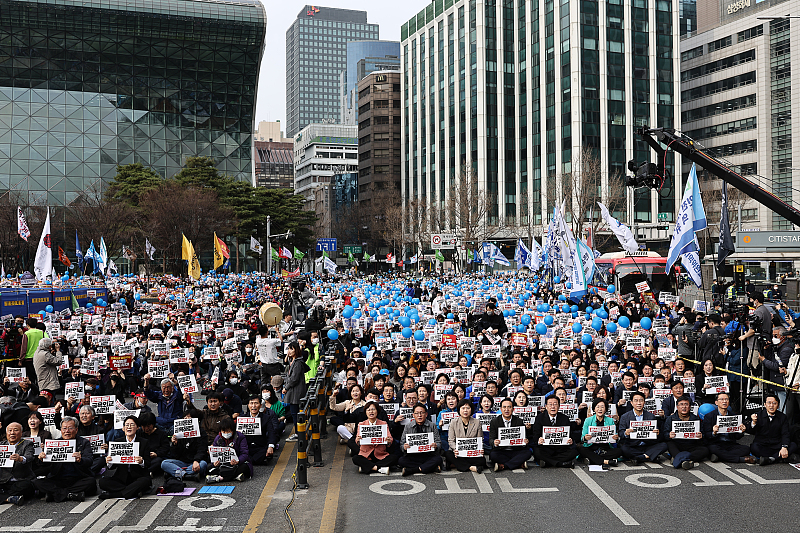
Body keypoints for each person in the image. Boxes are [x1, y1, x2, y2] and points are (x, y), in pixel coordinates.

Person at [33, 416, 97, 502]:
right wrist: (42, 459)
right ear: (61, 430)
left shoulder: (84, 442)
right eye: (64, 428)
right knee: (37, 482)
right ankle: (71, 495)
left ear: (76, 430)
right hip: (58, 478)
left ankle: (56, 494)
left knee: (91, 482)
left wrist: (80, 460)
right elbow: (44, 465)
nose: (67, 431)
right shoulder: (53, 443)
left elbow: (89, 460)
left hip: (78, 477)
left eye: (70, 428)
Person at [99, 415, 151, 499]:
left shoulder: (144, 442)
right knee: (102, 482)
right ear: (123, 428)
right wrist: (109, 461)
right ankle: (131, 492)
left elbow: (148, 463)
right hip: (121, 479)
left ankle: (115, 494)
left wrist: (142, 462)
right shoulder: (117, 442)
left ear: (137, 427)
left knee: (145, 481)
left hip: (137, 477)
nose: (129, 427)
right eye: (127, 425)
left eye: (132, 425)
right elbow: (112, 467)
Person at [746, 394, 800, 465]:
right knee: (754, 447)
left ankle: (771, 459)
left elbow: (785, 433)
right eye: (769, 403)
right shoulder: (758, 415)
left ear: (778, 406)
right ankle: (779, 458)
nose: (771, 405)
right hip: (762, 445)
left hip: (777, 445)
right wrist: (754, 422)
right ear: (765, 405)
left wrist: (784, 447)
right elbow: (750, 431)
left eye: (774, 403)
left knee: (793, 445)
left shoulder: (782, 417)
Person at [703, 392, 755, 464]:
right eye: (721, 399)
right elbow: (707, 435)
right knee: (712, 449)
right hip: (716, 443)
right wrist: (714, 433)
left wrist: (741, 431)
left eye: (726, 399)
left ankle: (720, 456)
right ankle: (741, 459)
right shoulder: (709, 416)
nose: (724, 401)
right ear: (716, 402)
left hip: (730, 444)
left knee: (746, 449)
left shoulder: (734, 416)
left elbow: (736, 437)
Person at [617, 391, 667, 464]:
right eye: (636, 401)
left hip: (647, 444)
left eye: (641, 400)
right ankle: (649, 456)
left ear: (644, 402)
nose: (639, 403)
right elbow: (620, 433)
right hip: (632, 445)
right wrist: (625, 433)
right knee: (623, 449)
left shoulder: (650, 416)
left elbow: (655, 433)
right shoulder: (625, 417)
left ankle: (640, 458)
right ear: (631, 403)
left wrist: (657, 432)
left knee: (664, 445)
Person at [663, 395, 708, 469]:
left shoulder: (696, 419)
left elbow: (703, 434)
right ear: (677, 407)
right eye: (681, 404)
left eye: (686, 404)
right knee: (668, 444)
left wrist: (701, 436)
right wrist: (669, 435)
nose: (684, 407)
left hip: (691, 445)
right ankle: (685, 459)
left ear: (690, 407)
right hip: (677, 444)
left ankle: (678, 458)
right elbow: (664, 434)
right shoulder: (671, 419)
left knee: (705, 450)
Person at [353, 400, 397, 474]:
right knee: (355, 459)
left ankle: (368, 467)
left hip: (380, 454)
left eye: (373, 409)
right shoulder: (361, 424)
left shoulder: (383, 423)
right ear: (365, 412)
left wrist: (388, 440)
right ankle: (379, 468)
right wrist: (357, 440)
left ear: (377, 411)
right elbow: (358, 442)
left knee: (394, 458)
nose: (371, 412)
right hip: (366, 454)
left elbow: (390, 439)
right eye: (368, 410)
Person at [162, 411, 209, 481]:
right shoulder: (179, 433)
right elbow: (175, 455)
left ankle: (176, 474)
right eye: (184, 417)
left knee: (203, 464)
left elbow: (202, 449)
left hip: (196, 461)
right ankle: (186, 475)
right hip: (183, 462)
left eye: (188, 417)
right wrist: (175, 444)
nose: (185, 419)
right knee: (164, 463)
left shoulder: (201, 432)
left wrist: (196, 461)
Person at [532, 395, 576, 468]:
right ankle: (560, 463)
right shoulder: (540, 418)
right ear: (546, 406)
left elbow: (570, 434)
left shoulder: (565, 418)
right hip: (546, 448)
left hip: (560, 448)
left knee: (573, 452)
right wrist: (538, 440)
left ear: (559, 406)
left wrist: (570, 440)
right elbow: (535, 434)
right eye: (550, 404)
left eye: (555, 404)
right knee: (537, 452)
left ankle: (548, 462)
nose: (553, 407)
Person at [398, 403, 442, 476]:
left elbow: (439, 443)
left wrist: (436, 445)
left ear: (426, 414)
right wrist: (404, 447)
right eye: (417, 413)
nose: (419, 415)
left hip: (428, 455)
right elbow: (402, 444)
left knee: (438, 459)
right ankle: (430, 468)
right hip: (413, 456)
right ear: (413, 415)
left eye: (422, 413)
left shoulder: (432, 425)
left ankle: (413, 470)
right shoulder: (408, 426)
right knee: (401, 460)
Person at [489, 397, 532, 471]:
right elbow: (491, 439)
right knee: (493, 455)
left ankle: (503, 466)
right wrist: (494, 442)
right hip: (501, 450)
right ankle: (518, 463)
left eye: (509, 407)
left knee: (527, 453)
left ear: (513, 409)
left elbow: (524, 437)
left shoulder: (519, 421)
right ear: (500, 409)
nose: (506, 410)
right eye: (504, 407)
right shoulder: (494, 422)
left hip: (516, 450)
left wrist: (525, 441)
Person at [579, 398, 623, 467]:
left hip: (605, 448)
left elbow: (615, 437)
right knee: (581, 449)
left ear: (605, 409)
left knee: (619, 451)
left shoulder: (610, 420)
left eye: (602, 407)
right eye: (597, 407)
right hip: (592, 447)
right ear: (594, 409)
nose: (600, 409)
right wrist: (585, 438)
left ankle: (593, 459)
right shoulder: (588, 420)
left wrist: (616, 438)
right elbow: (582, 438)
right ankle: (606, 461)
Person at [206, 417, 252, 483]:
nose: (226, 433)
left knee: (245, 467)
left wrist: (238, 461)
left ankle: (220, 478)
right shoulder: (218, 438)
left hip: (236, 463)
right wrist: (215, 463)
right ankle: (235, 477)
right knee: (208, 468)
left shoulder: (240, 437)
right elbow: (214, 455)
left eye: (228, 431)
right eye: (223, 431)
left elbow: (245, 453)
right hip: (223, 464)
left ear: (233, 430)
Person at [445, 399, 485, 473]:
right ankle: (470, 467)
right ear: (459, 410)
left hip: (471, 452)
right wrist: (456, 449)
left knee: (482, 460)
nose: (465, 410)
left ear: (471, 410)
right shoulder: (453, 422)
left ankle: (457, 465)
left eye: (468, 408)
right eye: (463, 408)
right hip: (458, 452)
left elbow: (480, 439)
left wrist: (480, 449)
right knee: (448, 454)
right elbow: (451, 441)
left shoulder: (477, 422)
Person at [0, 422, 35, 505]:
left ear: (21, 433)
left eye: (16, 430)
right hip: (4, 481)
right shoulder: (1, 445)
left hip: (21, 480)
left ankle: (3, 496)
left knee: (27, 486)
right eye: (10, 430)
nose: (12, 433)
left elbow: (30, 456)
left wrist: (21, 459)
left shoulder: (27, 444)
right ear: (6, 433)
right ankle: (9, 498)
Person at [283, 341, 309, 442]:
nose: (289, 351)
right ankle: (298, 432)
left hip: (295, 391)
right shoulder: (294, 361)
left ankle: (298, 433)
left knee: (295, 413)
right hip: (295, 390)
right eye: (289, 348)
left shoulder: (297, 362)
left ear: (296, 350)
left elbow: (294, 379)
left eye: (291, 349)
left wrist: (286, 388)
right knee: (295, 412)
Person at [242, 395, 279, 465]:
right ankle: (254, 460)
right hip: (246, 447)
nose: (254, 406)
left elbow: (271, 432)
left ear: (260, 405)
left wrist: (271, 446)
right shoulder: (242, 418)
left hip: (260, 447)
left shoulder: (266, 418)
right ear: (248, 405)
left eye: (256, 403)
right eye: (251, 403)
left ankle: (249, 461)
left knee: (264, 453)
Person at [138, 412, 170, 476]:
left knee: (160, 461)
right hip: (142, 457)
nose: (146, 429)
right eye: (144, 426)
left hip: (155, 457)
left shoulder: (161, 434)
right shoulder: (139, 433)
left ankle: (145, 472)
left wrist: (156, 454)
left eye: (148, 426)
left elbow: (165, 448)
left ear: (153, 424)